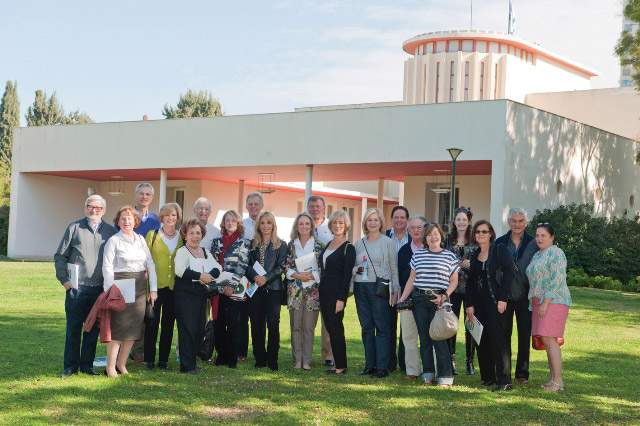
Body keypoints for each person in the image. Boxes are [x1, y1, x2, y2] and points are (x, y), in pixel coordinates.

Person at [54, 194, 116, 377]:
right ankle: (70, 367)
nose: (94, 210)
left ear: (103, 210)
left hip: (99, 289)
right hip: (76, 288)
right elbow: (60, 256)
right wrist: (64, 281)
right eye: (91, 206)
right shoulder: (74, 227)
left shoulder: (110, 231)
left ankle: (86, 366)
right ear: (85, 207)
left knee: (92, 330)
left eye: (98, 208)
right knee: (73, 328)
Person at [397, 223, 459, 387]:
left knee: (439, 338)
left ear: (441, 236)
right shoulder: (418, 255)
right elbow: (412, 279)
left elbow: (454, 281)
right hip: (419, 300)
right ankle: (428, 374)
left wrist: (444, 296)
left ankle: (445, 377)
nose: (433, 237)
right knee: (424, 339)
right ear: (426, 237)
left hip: (439, 300)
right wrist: (402, 298)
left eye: (436, 233)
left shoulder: (449, 256)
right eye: (430, 234)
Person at [102, 206, 158, 378]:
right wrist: (110, 290)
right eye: (123, 218)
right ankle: (110, 367)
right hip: (121, 285)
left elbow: (150, 264)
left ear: (135, 222)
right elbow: (107, 266)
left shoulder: (141, 239)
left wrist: (153, 289)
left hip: (140, 286)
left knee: (134, 328)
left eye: (130, 218)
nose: (127, 221)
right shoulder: (114, 241)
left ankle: (122, 364)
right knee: (119, 327)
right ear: (118, 222)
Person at [465, 220, 514, 391]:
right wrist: (469, 304)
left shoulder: (500, 250)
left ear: (491, 234)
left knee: (499, 341)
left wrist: (503, 298)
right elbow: (470, 282)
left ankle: (504, 379)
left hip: (496, 302)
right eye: (478, 232)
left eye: (484, 231)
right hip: (478, 304)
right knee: (482, 340)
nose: (480, 234)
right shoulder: (475, 254)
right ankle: (488, 377)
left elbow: (509, 273)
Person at [353, 208, 400, 378]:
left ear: (381, 222)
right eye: (369, 220)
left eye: (376, 220)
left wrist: (395, 290)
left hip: (380, 288)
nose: (372, 223)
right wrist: (356, 269)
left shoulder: (388, 242)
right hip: (361, 287)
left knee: (382, 327)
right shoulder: (358, 243)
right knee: (366, 327)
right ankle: (369, 365)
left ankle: (382, 366)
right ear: (365, 222)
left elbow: (394, 268)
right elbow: (353, 267)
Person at [495, 207, 538, 384]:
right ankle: (504, 374)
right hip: (505, 298)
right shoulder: (500, 242)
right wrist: (500, 295)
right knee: (504, 336)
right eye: (514, 220)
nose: (517, 224)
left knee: (524, 335)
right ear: (509, 222)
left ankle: (522, 374)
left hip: (526, 296)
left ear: (525, 223)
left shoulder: (533, 243)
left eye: (521, 221)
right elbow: (495, 270)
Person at [526, 223, 571, 392]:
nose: (539, 238)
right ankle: (552, 379)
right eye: (537, 235)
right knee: (546, 340)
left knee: (550, 339)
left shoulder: (556, 253)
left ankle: (558, 382)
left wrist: (546, 302)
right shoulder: (537, 255)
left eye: (543, 235)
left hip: (554, 301)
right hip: (539, 302)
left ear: (552, 237)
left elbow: (557, 279)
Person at [174, 218, 221, 374]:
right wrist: (201, 276)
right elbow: (180, 271)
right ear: (185, 235)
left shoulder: (206, 252)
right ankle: (186, 366)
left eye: (198, 233)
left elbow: (218, 267)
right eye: (191, 233)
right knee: (187, 329)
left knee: (199, 329)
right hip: (185, 296)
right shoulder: (182, 251)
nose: (195, 236)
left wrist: (210, 275)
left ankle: (192, 362)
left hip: (201, 295)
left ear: (202, 235)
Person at [143, 203, 183, 370]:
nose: (170, 218)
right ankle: (149, 360)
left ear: (177, 217)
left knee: (168, 325)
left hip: (173, 289)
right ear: (162, 217)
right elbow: (144, 260)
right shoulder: (152, 235)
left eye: (174, 215)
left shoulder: (182, 237)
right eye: (167, 215)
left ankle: (163, 361)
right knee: (152, 323)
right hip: (154, 288)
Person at [246, 211, 288, 371]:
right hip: (255, 289)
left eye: (268, 223)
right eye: (262, 223)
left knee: (273, 324)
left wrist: (266, 278)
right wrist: (255, 276)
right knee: (256, 324)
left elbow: (281, 266)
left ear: (273, 225)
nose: (265, 226)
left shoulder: (281, 245)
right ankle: (259, 359)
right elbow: (247, 265)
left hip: (273, 289)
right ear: (258, 226)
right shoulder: (253, 244)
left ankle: (272, 359)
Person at [210, 210, 251, 368]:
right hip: (218, 289)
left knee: (234, 324)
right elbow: (213, 265)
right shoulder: (216, 242)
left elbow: (242, 265)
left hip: (236, 289)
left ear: (238, 223)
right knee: (219, 323)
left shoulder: (244, 242)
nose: (230, 223)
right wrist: (221, 286)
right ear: (223, 223)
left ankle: (232, 357)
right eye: (227, 220)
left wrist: (231, 285)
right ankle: (221, 355)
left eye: (233, 220)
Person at [319, 210, 356, 375]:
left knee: (336, 328)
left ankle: (341, 365)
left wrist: (341, 299)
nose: (338, 225)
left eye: (341, 223)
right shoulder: (328, 244)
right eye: (335, 223)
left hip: (336, 295)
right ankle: (337, 363)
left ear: (346, 225)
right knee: (329, 327)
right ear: (331, 225)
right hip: (324, 292)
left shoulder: (349, 248)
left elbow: (347, 276)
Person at [285, 213, 323, 370]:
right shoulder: (291, 245)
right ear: (296, 226)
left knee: (308, 327)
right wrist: (298, 275)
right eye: (301, 223)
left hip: (313, 292)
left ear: (312, 226)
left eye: (307, 223)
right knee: (296, 326)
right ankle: (297, 360)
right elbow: (286, 266)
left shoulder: (319, 245)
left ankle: (306, 360)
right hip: (295, 291)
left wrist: (311, 276)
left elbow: (322, 268)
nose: (304, 226)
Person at [444, 207, 478, 376]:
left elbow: (481, 262)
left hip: (471, 288)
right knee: (451, 324)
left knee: (470, 324)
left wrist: (472, 266)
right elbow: (442, 259)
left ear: (469, 221)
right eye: (458, 219)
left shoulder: (475, 239)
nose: (461, 222)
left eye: (464, 219)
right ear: (454, 221)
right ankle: (451, 359)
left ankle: (470, 361)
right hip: (453, 288)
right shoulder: (447, 240)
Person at [131, 182, 161, 362]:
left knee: (146, 313)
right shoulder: (127, 215)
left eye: (148, 194)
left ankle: (140, 351)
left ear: (152, 197)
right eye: (141, 193)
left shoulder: (155, 220)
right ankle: (126, 349)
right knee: (129, 313)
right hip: (130, 272)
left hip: (149, 273)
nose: (144, 196)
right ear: (136, 195)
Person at [396, 216, 427, 380]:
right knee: (408, 336)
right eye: (413, 228)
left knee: (428, 336)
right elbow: (401, 276)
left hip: (426, 299)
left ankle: (429, 369)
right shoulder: (403, 251)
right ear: (409, 231)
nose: (416, 230)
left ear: (425, 229)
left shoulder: (432, 249)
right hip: (408, 299)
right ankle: (413, 371)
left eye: (419, 227)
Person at [306, 195, 334, 367]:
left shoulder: (331, 227)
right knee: (308, 320)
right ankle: (305, 355)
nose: (315, 209)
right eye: (312, 206)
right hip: (307, 280)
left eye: (318, 206)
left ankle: (328, 355)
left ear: (324, 208)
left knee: (328, 320)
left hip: (327, 279)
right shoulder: (303, 225)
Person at [385, 205, 409, 372]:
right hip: (388, 287)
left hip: (409, 286)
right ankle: (389, 362)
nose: (399, 220)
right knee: (388, 325)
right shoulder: (385, 236)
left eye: (402, 217)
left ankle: (404, 362)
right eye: (396, 217)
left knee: (406, 327)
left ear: (407, 220)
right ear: (392, 219)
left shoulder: (414, 238)